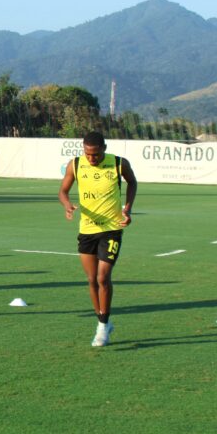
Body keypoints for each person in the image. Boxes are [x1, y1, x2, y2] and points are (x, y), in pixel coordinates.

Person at [58, 131, 138, 347]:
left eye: (95, 154)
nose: (91, 158)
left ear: (104, 148)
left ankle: (102, 327)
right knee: (92, 279)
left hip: (112, 228)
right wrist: (67, 206)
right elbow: (63, 191)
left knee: (103, 278)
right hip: (87, 229)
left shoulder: (119, 163)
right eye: (87, 154)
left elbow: (132, 182)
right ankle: (102, 319)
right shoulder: (75, 164)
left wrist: (127, 208)